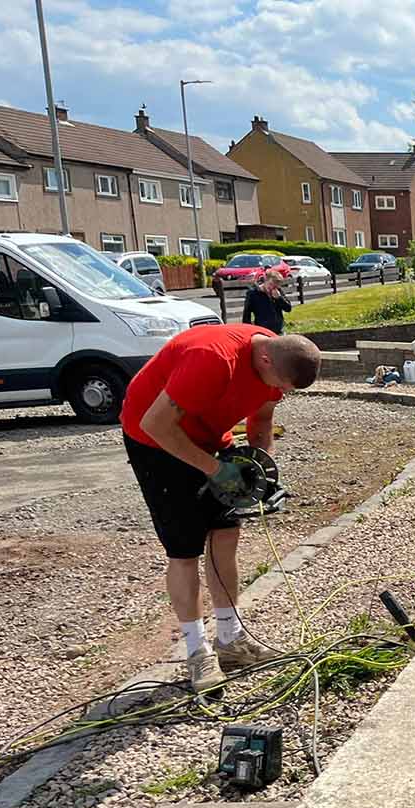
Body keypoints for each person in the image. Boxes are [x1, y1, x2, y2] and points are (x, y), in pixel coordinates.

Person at [119, 324, 321, 690]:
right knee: (185, 548)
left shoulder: (276, 359)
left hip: (209, 435)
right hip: (155, 440)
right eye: (281, 386)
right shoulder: (212, 360)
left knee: (226, 533)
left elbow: (261, 421)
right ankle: (197, 651)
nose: (282, 393)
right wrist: (215, 470)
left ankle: (230, 638)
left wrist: (260, 470)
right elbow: (155, 424)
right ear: (264, 359)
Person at [240, 265, 292, 334]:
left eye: (275, 286)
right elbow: (246, 315)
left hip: (279, 331)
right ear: (265, 280)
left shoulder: (278, 291)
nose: (272, 288)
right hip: (263, 331)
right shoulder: (253, 293)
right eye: (270, 284)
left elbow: (288, 308)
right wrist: (248, 331)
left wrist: (279, 298)